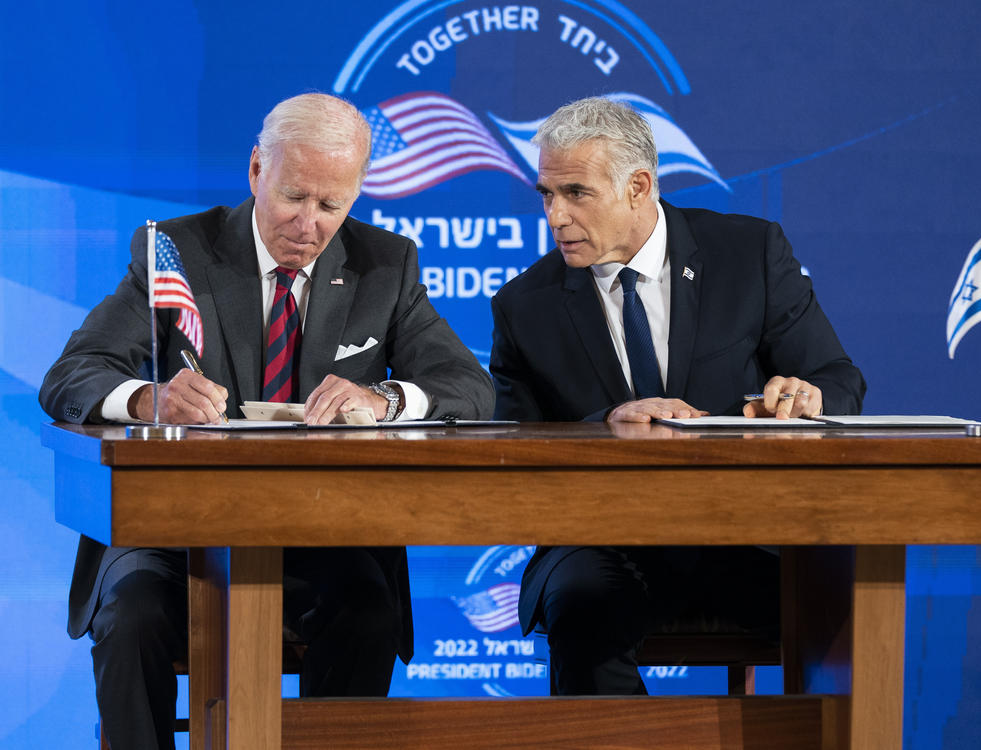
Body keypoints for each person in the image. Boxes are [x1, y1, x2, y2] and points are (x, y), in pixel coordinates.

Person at [39, 93, 494, 748]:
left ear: (357, 195)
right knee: (132, 615)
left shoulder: (384, 266)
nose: (308, 223)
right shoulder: (173, 252)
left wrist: (383, 400)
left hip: (321, 530)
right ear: (257, 169)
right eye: (293, 196)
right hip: (175, 532)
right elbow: (72, 375)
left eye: (331, 205)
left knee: (368, 611)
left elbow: (469, 387)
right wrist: (146, 399)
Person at [489, 96, 865, 695]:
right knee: (582, 608)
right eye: (546, 194)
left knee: (845, 608)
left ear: (638, 187)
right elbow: (512, 451)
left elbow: (839, 379)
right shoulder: (524, 307)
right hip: (604, 541)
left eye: (576, 193)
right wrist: (605, 422)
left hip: (745, 533)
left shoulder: (750, 255)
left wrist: (805, 397)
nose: (554, 216)